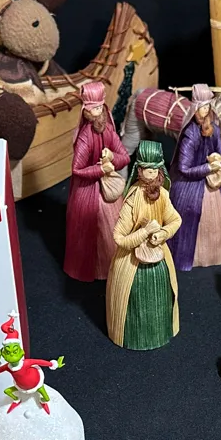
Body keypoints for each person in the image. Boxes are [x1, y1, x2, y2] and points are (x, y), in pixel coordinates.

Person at [107, 141, 181, 350]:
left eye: (155, 169)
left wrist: (162, 234)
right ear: (139, 170)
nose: (151, 173)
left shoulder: (163, 195)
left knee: (162, 298)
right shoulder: (133, 200)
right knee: (133, 304)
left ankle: (160, 332)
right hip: (132, 265)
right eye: (147, 169)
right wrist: (144, 232)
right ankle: (132, 335)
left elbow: (175, 220)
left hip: (159, 258)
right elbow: (119, 237)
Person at [64, 82, 131, 280]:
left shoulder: (109, 130)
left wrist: (112, 157)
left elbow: (125, 157)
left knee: (115, 226)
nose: (98, 112)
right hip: (88, 192)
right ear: (86, 112)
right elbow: (77, 169)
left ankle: (115, 263)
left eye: (100, 107)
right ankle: (96, 267)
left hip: (110, 189)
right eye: (94, 109)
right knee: (93, 227)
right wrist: (101, 169)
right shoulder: (85, 137)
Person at [168, 84, 221, 270]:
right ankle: (192, 254)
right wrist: (207, 168)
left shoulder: (213, 129)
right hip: (190, 185)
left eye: (208, 106)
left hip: (212, 180)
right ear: (195, 109)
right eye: (202, 107)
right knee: (193, 211)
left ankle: (218, 250)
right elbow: (184, 168)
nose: (205, 110)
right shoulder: (190, 136)